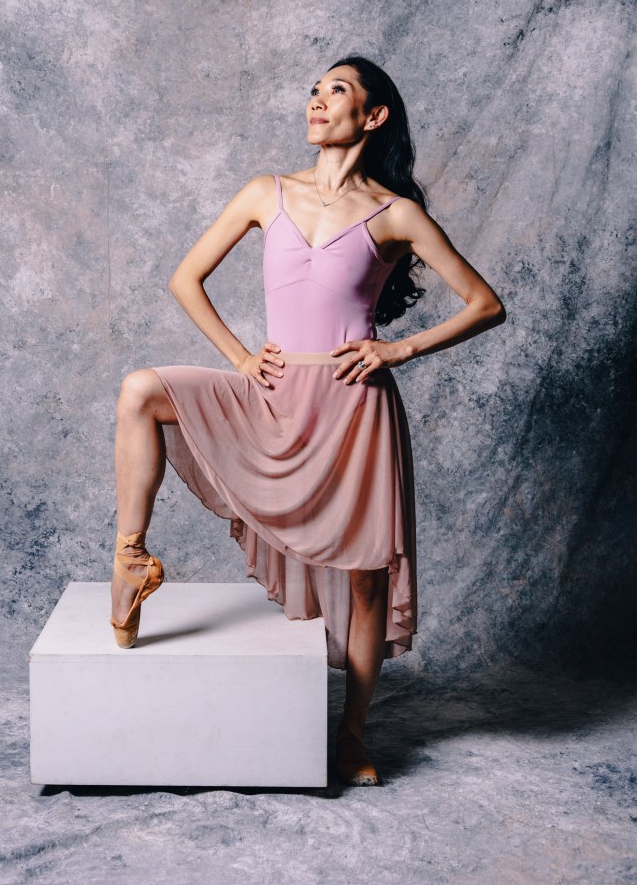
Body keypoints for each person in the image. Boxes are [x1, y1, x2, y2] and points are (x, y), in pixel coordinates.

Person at [109, 54, 506, 786]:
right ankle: (130, 556)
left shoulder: (396, 213)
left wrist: (399, 349)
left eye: (336, 91)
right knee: (140, 391)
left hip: (353, 409)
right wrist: (239, 357)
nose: (316, 102)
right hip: (274, 394)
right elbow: (185, 278)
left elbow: (486, 304)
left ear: (373, 115)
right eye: (314, 91)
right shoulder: (267, 192)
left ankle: (352, 736)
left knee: (366, 583)